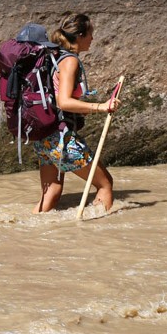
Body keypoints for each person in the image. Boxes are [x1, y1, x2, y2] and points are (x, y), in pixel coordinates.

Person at [30, 13, 121, 213]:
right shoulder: (69, 61)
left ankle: (28, 233)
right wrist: (101, 107)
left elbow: (54, 98)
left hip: (44, 137)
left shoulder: (52, 56)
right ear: (79, 35)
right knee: (105, 184)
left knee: (52, 191)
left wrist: (81, 111)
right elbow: (63, 102)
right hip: (61, 138)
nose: (92, 38)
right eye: (90, 34)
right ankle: (98, 236)